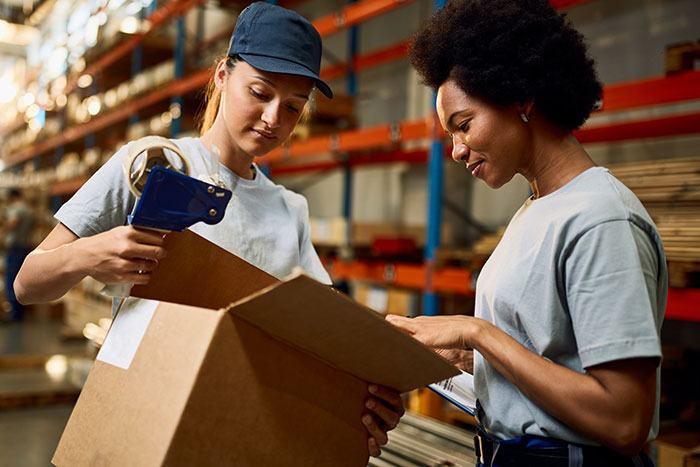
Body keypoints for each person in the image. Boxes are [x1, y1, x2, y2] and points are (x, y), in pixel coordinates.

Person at [14, 2, 402, 457]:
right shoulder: (151, 164)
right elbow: (26, 284)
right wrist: (88, 255)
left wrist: (361, 401)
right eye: (259, 92)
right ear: (221, 75)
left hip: (242, 423)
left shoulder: (288, 210)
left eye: (293, 107)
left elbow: (319, 335)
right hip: (145, 413)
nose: (274, 118)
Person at [387, 1, 666, 466]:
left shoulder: (599, 219)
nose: (456, 151)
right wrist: (461, 360)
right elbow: (549, 363)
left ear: (521, 98)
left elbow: (625, 419)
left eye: (464, 125)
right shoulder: (537, 210)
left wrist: (478, 334)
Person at [1, 188, 34, 322]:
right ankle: (19, 312)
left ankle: (14, 314)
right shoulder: (29, 210)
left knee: (11, 279)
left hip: (15, 248)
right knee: (21, 279)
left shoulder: (16, 209)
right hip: (24, 246)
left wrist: (3, 230)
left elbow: (13, 223)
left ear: (12, 197)